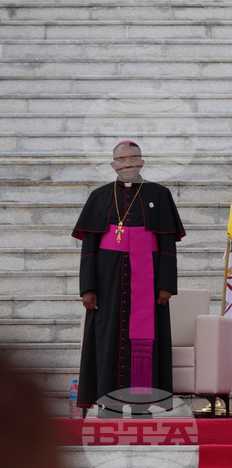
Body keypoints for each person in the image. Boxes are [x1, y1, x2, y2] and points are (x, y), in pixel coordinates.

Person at [74, 141, 184, 416]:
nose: (127, 164)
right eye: (121, 160)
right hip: (107, 278)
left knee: (145, 339)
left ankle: (142, 403)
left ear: (142, 162)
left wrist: (166, 285)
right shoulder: (99, 196)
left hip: (147, 278)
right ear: (113, 165)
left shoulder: (159, 194)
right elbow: (88, 247)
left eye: (132, 159)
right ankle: (107, 402)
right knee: (106, 337)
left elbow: (167, 243)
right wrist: (87, 288)